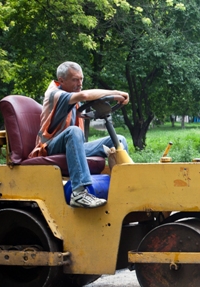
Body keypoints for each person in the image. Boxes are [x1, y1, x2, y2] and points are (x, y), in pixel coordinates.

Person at [30, 61, 130, 208]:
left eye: (81, 79)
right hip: (49, 147)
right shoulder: (56, 94)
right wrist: (116, 93)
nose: (80, 83)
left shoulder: (72, 96)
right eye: (75, 80)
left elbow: (86, 104)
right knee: (74, 131)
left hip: (72, 146)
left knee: (118, 139)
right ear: (62, 80)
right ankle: (79, 193)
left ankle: (126, 186)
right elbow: (85, 95)